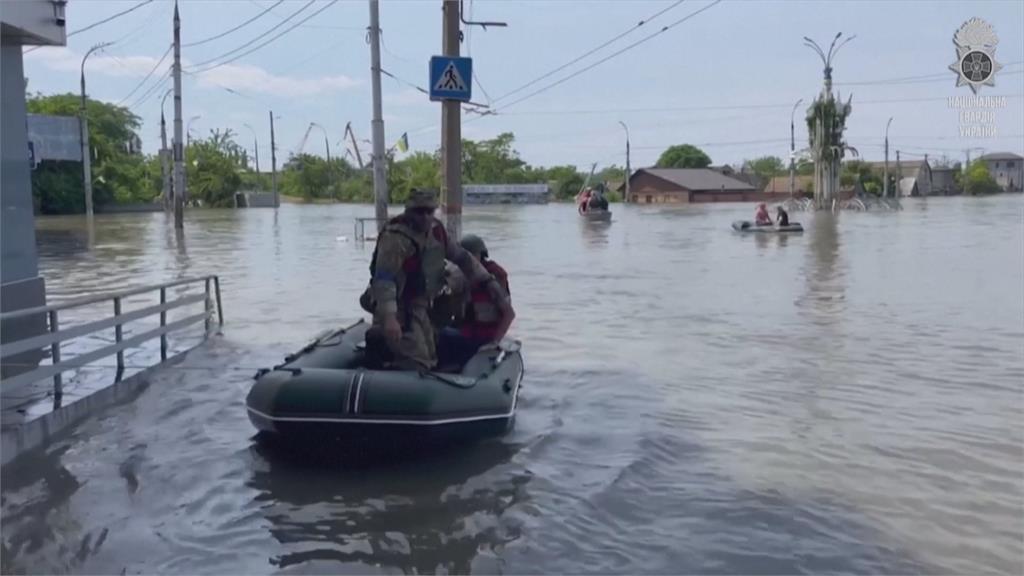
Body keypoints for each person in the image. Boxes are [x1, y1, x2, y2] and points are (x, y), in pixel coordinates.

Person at [361, 189, 511, 372]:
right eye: (419, 212)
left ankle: (381, 341)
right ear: (408, 211)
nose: (424, 217)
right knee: (417, 362)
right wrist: (390, 318)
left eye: (429, 212)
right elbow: (384, 279)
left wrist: (487, 280)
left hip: (421, 304)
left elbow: (461, 257)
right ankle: (380, 341)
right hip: (399, 307)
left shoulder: (436, 231)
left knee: (431, 355)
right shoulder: (395, 238)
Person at [438, 234, 515, 369]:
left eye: (471, 256)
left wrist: (494, 342)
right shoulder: (461, 275)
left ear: (481, 255)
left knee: (441, 336)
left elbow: (509, 314)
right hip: (470, 331)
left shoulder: (492, 279)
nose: (468, 261)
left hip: (484, 336)